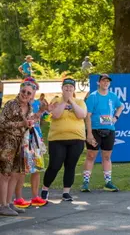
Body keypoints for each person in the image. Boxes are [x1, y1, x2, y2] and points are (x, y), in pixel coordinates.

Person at [41, 78, 87, 201]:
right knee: (55, 165)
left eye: (70, 87)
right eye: (66, 87)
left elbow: (81, 115)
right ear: (62, 88)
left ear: (74, 89)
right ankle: (45, 189)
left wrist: (71, 101)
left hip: (77, 139)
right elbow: (55, 115)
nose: (68, 89)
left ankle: (66, 192)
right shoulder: (56, 101)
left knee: (70, 166)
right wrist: (64, 102)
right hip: (57, 139)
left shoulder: (80, 102)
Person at [81, 74, 124, 193]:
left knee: (107, 156)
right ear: (99, 83)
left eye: (107, 81)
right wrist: (89, 134)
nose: (106, 83)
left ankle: (108, 182)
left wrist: (115, 117)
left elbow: (121, 106)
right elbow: (87, 116)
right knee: (91, 156)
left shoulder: (112, 96)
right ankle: (85, 183)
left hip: (109, 130)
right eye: (103, 81)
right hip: (95, 130)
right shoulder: (93, 96)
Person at [0, 81, 35, 216]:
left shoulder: (30, 107)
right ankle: (2, 205)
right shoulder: (10, 104)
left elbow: (26, 124)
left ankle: (8, 204)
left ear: (32, 95)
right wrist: (21, 123)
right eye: (23, 91)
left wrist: (29, 124)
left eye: (28, 93)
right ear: (19, 91)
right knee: (4, 174)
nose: (25, 94)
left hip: (19, 143)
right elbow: (1, 124)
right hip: (7, 141)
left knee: (15, 173)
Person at [14, 78, 48, 209]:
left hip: (36, 139)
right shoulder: (19, 104)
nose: (30, 93)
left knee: (37, 168)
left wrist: (45, 111)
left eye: (33, 89)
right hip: (23, 139)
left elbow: (40, 121)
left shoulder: (37, 103)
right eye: (27, 89)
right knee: (22, 169)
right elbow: (28, 120)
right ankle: (18, 198)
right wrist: (40, 112)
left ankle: (35, 196)